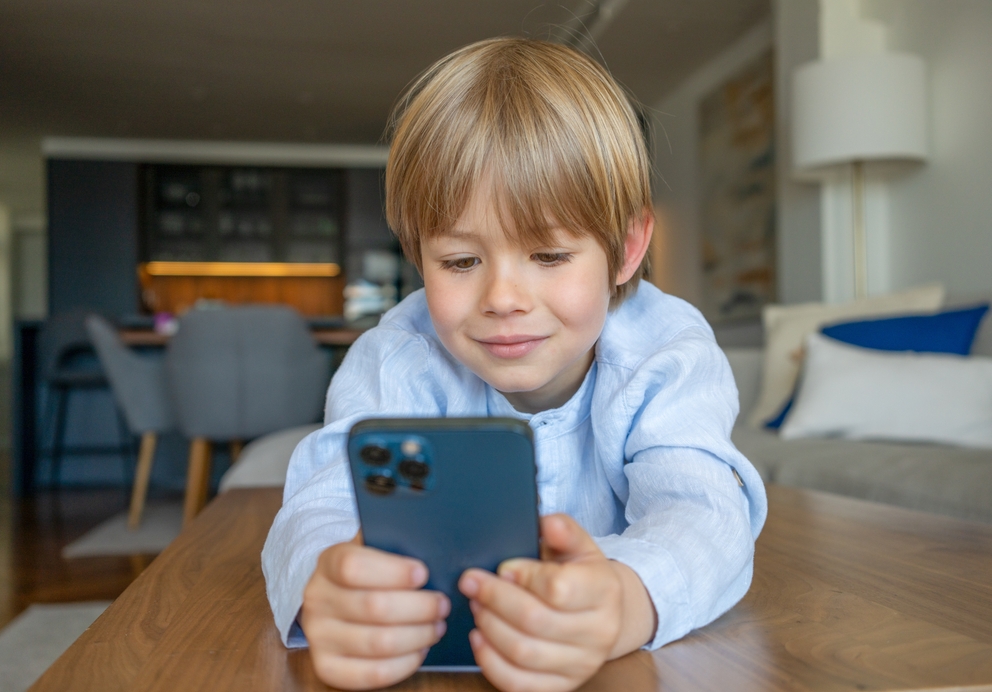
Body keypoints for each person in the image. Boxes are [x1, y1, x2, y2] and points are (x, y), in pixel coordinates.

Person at [262, 37, 767, 692]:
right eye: (461, 262)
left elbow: (704, 513)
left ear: (628, 249)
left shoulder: (667, 354)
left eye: (550, 256)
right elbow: (320, 504)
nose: (502, 300)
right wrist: (326, 583)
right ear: (418, 257)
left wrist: (626, 599)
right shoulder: (395, 358)